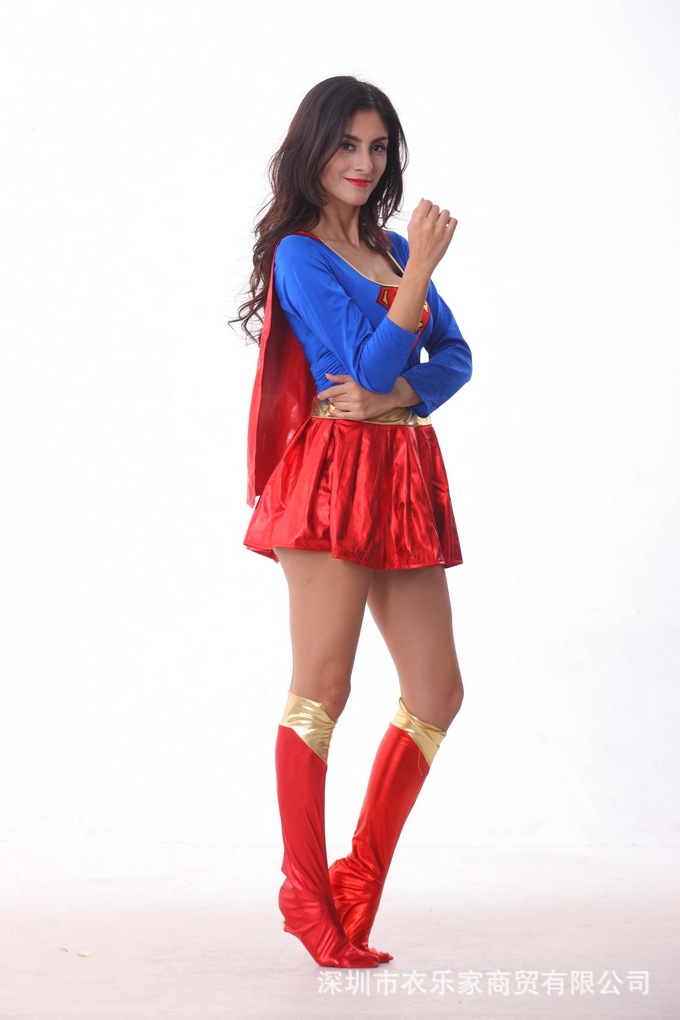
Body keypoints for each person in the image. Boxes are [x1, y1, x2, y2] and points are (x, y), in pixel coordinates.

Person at [235, 75, 472, 969]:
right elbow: (360, 368)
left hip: (403, 476)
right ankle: (304, 893)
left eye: (377, 148)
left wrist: (401, 390)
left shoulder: (394, 248)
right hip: (331, 481)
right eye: (346, 145)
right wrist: (414, 291)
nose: (364, 164)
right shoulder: (299, 255)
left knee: (437, 692)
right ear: (314, 148)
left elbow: (455, 356)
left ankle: (358, 876)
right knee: (323, 689)